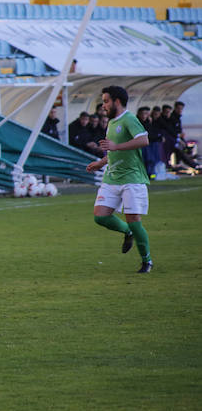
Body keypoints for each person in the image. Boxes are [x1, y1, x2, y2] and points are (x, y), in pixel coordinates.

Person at [85, 86, 153, 274]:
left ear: (116, 101)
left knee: (134, 221)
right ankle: (127, 232)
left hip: (131, 179)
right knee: (100, 217)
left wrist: (117, 145)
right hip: (111, 177)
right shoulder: (112, 123)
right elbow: (113, 151)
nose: (104, 105)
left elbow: (144, 140)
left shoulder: (129, 119)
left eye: (106, 101)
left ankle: (146, 261)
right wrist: (101, 162)